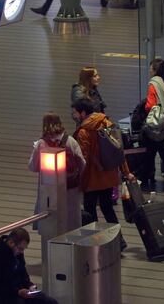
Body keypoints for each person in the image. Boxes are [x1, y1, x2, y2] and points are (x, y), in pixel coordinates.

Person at [71, 98, 136, 250]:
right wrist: (126, 172)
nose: (74, 115)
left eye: (75, 113)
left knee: (90, 210)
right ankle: (119, 241)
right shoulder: (107, 123)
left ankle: (95, 243)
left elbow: (83, 159)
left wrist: (77, 180)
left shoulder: (84, 131)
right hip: (108, 177)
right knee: (108, 208)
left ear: (83, 113)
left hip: (92, 179)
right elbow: (118, 151)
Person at [28, 113, 85, 230]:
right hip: (70, 189)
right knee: (71, 222)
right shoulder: (70, 141)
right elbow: (82, 163)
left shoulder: (41, 143)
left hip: (48, 190)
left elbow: (32, 166)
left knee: (50, 224)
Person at [0, 228, 59, 304]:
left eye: (23, 249)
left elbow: (23, 273)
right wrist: (17, 292)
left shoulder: (17, 254)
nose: (21, 252)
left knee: (50, 302)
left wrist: (30, 286)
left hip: (19, 293)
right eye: (20, 248)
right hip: (2, 297)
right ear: (11, 243)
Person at [140, 58, 164, 189]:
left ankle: (147, 178)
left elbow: (150, 106)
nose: (149, 71)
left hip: (156, 124)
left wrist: (144, 106)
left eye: (151, 68)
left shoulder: (154, 84)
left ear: (155, 71)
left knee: (150, 152)